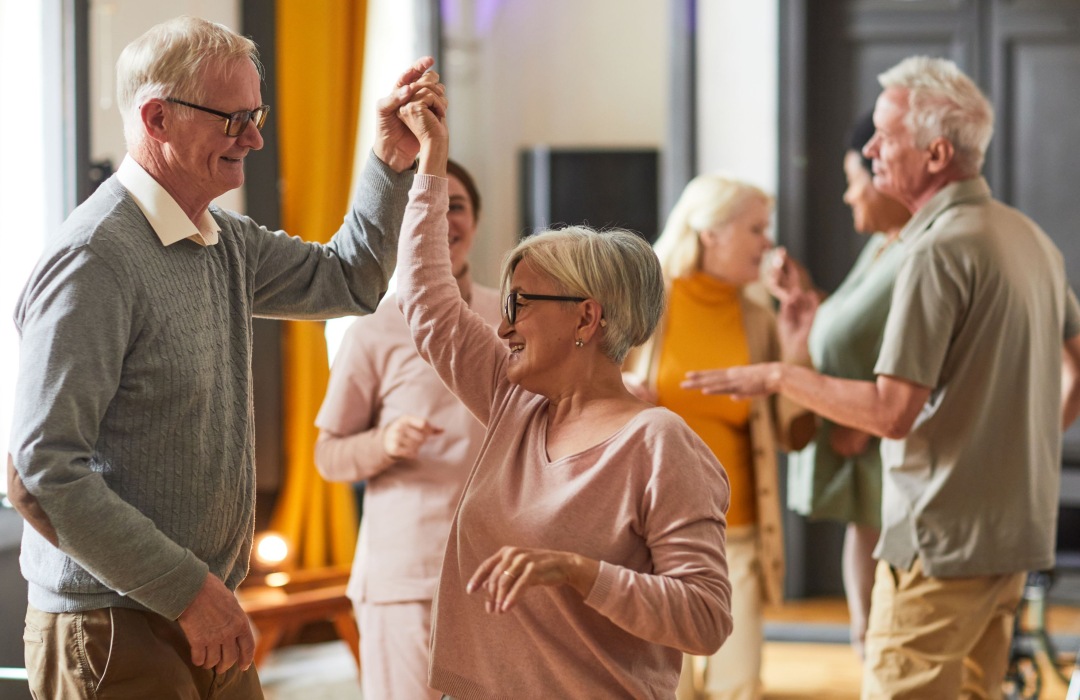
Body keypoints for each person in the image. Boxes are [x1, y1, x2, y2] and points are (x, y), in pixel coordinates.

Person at [6, 16, 438, 699]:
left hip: (199, 607)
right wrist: (188, 592)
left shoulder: (223, 240)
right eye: (235, 118)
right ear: (158, 118)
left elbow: (350, 279)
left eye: (257, 114)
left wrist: (388, 161)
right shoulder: (93, 259)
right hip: (114, 622)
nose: (257, 138)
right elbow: (41, 472)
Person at [682, 55, 1080, 699]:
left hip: (939, 543)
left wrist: (782, 375)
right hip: (1015, 536)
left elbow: (891, 413)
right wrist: (1021, 445)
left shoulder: (935, 250)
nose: (869, 148)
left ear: (936, 153)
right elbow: (1076, 371)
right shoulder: (1029, 237)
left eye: (886, 136)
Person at [392, 85, 733, 698]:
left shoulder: (658, 443)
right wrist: (431, 160)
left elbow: (706, 618)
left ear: (586, 318)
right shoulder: (512, 401)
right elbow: (428, 302)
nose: (503, 324)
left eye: (520, 303)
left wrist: (580, 573)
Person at [314, 159, 501, 700]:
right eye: (430, 205)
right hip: (408, 576)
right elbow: (329, 455)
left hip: (500, 573)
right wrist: (384, 443)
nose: (444, 218)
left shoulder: (511, 320)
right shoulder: (374, 326)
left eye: (457, 205)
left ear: (476, 221)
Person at [624, 175, 813, 700]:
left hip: (738, 536)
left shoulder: (757, 318)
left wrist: (797, 347)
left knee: (739, 686)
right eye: (756, 229)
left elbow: (794, 431)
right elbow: (584, 394)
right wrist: (619, 390)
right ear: (711, 233)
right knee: (665, 688)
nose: (767, 243)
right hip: (652, 535)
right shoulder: (643, 303)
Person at [767, 112, 911, 659]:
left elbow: (927, 356)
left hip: (882, 439)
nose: (849, 196)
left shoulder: (915, 255)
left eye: (854, 179)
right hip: (860, 438)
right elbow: (855, 324)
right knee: (869, 624)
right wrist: (806, 298)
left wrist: (870, 429)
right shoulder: (879, 247)